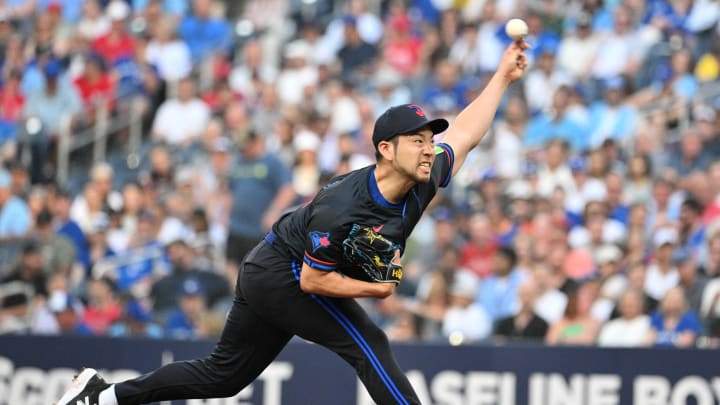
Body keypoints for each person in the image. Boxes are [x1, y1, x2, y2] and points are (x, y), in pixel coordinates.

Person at [56, 40, 529, 405]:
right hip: (285, 273)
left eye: (430, 140)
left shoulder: (425, 175)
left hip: (271, 264)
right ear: (386, 149)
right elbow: (313, 278)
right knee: (369, 343)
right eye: (418, 141)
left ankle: (104, 395)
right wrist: (375, 289)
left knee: (224, 377)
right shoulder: (344, 207)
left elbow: (466, 133)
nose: (430, 149)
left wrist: (503, 77)